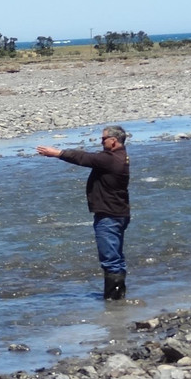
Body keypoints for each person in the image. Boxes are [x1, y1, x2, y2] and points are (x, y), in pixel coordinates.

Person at [37, 125, 130, 300]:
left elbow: (84, 158)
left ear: (114, 141)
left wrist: (57, 153)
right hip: (118, 214)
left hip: (109, 216)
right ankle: (118, 300)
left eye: (103, 139)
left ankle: (114, 302)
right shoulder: (120, 156)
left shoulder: (111, 159)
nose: (101, 142)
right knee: (116, 258)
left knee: (110, 259)